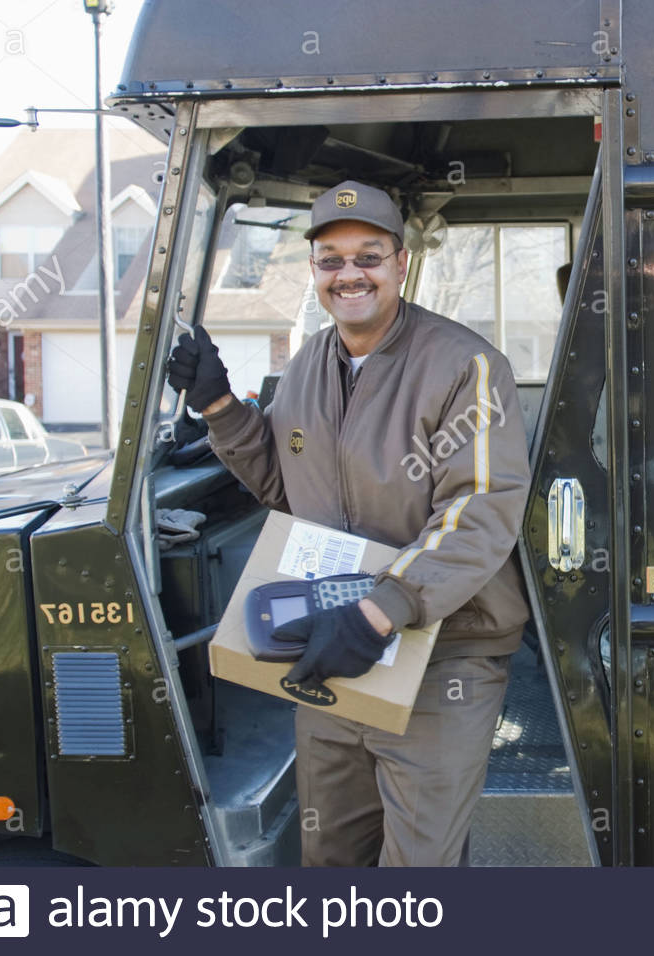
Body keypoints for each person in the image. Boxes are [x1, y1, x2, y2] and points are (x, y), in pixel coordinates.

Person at [167, 180, 531, 866]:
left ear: (399, 262)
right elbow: (285, 486)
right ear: (314, 273)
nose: (349, 274)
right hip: (333, 648)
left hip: (439, 655)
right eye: (331, 260)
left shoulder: (464, 366)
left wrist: (381, 609)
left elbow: (480, 505)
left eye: (367, 256)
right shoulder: (308, 364)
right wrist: (218, 406)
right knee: (330, 856)